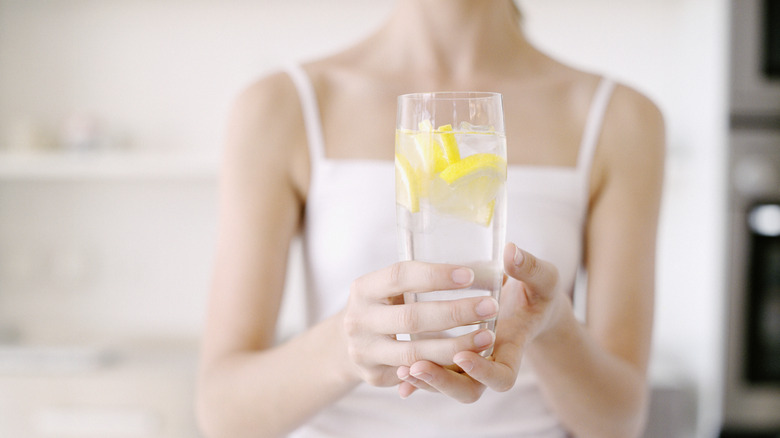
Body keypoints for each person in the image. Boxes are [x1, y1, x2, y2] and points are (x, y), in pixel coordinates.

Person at [195, 1, 665, 437]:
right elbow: (222, 413)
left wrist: (556, 324)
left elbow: (619, 422)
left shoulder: (622, 118)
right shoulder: (280, 105)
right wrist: (345, 348)